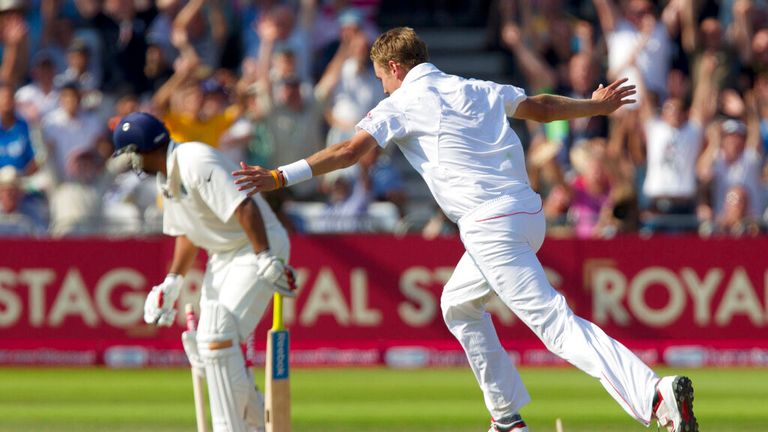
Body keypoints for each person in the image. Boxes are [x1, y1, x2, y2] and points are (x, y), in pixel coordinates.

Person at [233, 27, 698, 432]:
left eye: (381, 79)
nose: (383, 89)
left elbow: (350, 152)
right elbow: (538, 106)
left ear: (394, 67)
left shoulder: (405, 101)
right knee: (456, 305)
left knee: (556, 326)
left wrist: (279, 176)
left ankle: (655, 395)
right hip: (526, 213)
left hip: (488, 225)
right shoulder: (474, 86)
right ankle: (506, 417)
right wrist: (593, 108)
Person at [111, 112, 296, 432]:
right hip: (223, 256)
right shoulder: (166, 177)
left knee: (217, 338)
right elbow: (186, 232)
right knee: (204, 345)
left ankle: (232, 427)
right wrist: (172, 281)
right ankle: (253, 422)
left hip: (254, 247)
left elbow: (244, 205)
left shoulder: (195, 160)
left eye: (132, 154)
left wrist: (264, 256)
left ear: (146, 148)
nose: (133, 164)